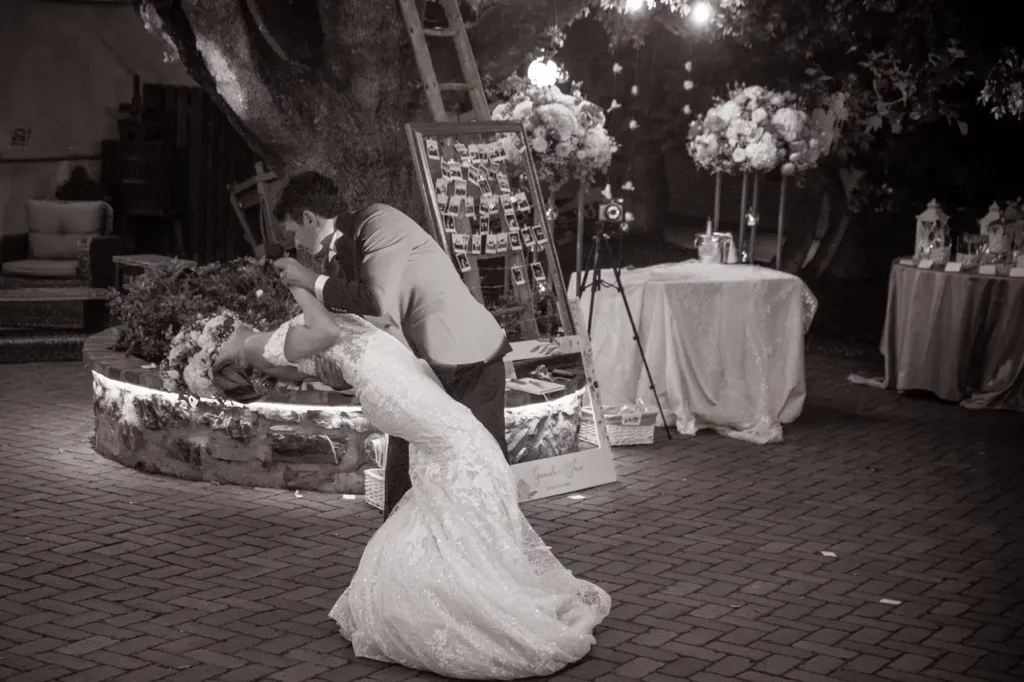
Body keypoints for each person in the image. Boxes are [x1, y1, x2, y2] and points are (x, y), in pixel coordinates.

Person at [196, 289, 610, 679]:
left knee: (451, 463)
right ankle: (458, 596)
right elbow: (329, 335)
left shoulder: (298, 328)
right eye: (217, 334)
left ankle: (450, 595)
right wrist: (303, 285)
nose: (224, 326)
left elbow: (344, 344)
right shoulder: (252, 347)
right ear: (222, 355)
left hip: (396, 382)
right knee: (457, 455)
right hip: (395, 384)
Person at [270, 172, 511, 518]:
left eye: (293, 233)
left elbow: (376, 301)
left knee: (485, 474)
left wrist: (307, 279)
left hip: (470, 361)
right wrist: (341, 376)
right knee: (402, 487)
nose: (297, 246)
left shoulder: (380, 221)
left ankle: (496, 561)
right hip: (417, 374)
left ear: (309, 219)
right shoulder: (337, 260)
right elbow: (371, 329)